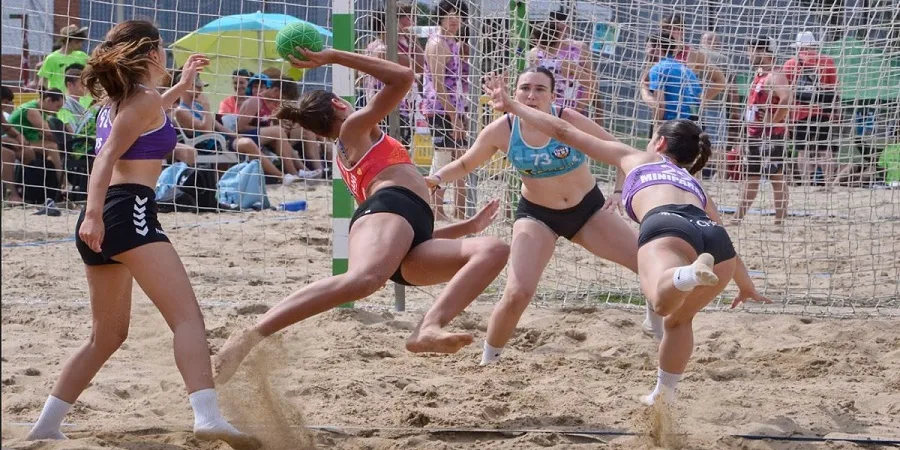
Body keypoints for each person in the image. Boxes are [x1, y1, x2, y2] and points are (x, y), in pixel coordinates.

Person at [25, 21, 260, 450]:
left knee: (106, 337)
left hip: (106, 216)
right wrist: (93, 215)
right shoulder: (142, 99)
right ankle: (207, 417)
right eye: (163, 48)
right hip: (126, 212)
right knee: (187, 319)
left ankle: (45, 426)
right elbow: (106, 157)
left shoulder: (121, 102)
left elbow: (145, 120)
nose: (167, 54)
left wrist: (182, 87)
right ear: (152, 53)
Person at [212, 47, 510, 385]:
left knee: (493, 249)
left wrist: (467, 226)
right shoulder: (353, 128)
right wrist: (332, 56)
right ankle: (250, 335)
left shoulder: (355, 145)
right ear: (340, 105)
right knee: (361, 280)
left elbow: (396, 236)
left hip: (410, 230)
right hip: (393, 207)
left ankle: (428, 326)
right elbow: (403, 77)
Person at [482, 74, 771, 406]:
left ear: (659, 143)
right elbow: (721, 234)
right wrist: (745, 284)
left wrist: (514, 106)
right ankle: (663, 394)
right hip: (714, 240)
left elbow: (563, 131)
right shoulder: (694, 183)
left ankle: (684, 274)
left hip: (667, 225)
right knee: (680, 320)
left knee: (663, 301)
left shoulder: (634, 157)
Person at [426, 67, 639, 366]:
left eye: (540, 89)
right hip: (538, 216)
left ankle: (657, 322)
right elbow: (464, 164)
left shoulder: (568, 119)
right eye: (525, 88)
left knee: (645, 262)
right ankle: (489, 362)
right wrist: (435, 179)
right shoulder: (502, 129)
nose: (531, 95)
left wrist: (618, 191)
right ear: (514, 94)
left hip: (588, 211)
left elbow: (621, 153)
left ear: (553, 96)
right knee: (518, 292)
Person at [733, 37, 791, 225]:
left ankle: (779, 220)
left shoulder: (775, 75)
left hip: (770, 135)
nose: (748, 55)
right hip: (755, 134)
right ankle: (738, 217)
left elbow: (787, 98)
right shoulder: (760, 73)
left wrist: (773, 120)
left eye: (750, 50)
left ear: (763, 52)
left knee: (775, 176)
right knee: (753, 176)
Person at [423, 0, 471, 220]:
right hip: (441, 109)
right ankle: (435, 209)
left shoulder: (453, 42)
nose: (454, 19)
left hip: (454, 108)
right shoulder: (437, 43)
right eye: (449, 14)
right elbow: (439, 85)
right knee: (443, 159)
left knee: (462, 159)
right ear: (440, 16)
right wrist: (454, 118)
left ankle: (459, 210)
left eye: (458, 15)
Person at [783, 31, 840, 185]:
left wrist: (786, 117)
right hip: (823, 110)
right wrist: (836, 111)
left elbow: (786, 91)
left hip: (799, 112)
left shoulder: (790, 64)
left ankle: (806, 182)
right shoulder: (827, 61)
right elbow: (834, 89)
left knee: (803, 149)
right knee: (824, 149)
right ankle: (828, 182)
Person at [526, 6, 597, 119]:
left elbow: (591, 82)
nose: (562, 27)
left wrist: (578, 109)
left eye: (564, 23)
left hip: (569, 108)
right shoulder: (535, 54)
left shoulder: (578, 49)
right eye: (557, 24)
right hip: (545, 109)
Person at [38, 25, 91, 92]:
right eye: (77, 42)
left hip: (79, 96)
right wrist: (47, 94)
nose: (80, 45)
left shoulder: (82, 55)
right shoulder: (52, 58)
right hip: (60, 96)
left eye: (81, 42)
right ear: (66, 41)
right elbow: (44, 79)